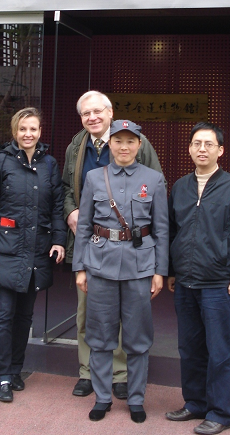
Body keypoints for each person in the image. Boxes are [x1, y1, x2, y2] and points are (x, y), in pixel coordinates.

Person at [63, 90, 164, 400]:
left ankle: (120, 374)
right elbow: (66, 188)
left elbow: (155, 186)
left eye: (97, 111)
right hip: (93, 244)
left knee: (126, 315)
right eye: (86, 113)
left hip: (131, 249)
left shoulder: (137, 142)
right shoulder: (76, 146)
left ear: (110, 113)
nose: (92, 117)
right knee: (89, 313)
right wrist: (71, 211)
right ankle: (88, 372)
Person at [166, 121, 230, 435]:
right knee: (190, 348)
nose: (202, 149)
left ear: (220, 150)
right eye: (196, 143)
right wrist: (171, 271)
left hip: (219, 283)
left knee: (220, 351)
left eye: (208, 144)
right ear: (190, 149)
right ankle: (195, 403)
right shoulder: (180, 187)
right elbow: (173, 232)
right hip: (185, 282)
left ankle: (220, 413)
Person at [0, 107, 66, 403]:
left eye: (33, 129)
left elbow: (56, 207)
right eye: (23, 129)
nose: (28, 134)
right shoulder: (1, 162)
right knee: (3, 314)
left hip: (37, 249)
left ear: (40, 132)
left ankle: (15, 370)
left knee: (25, 316)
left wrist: (59, 240)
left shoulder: (49, 163)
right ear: (15, 131)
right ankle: (1, 375)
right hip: (4, 247)